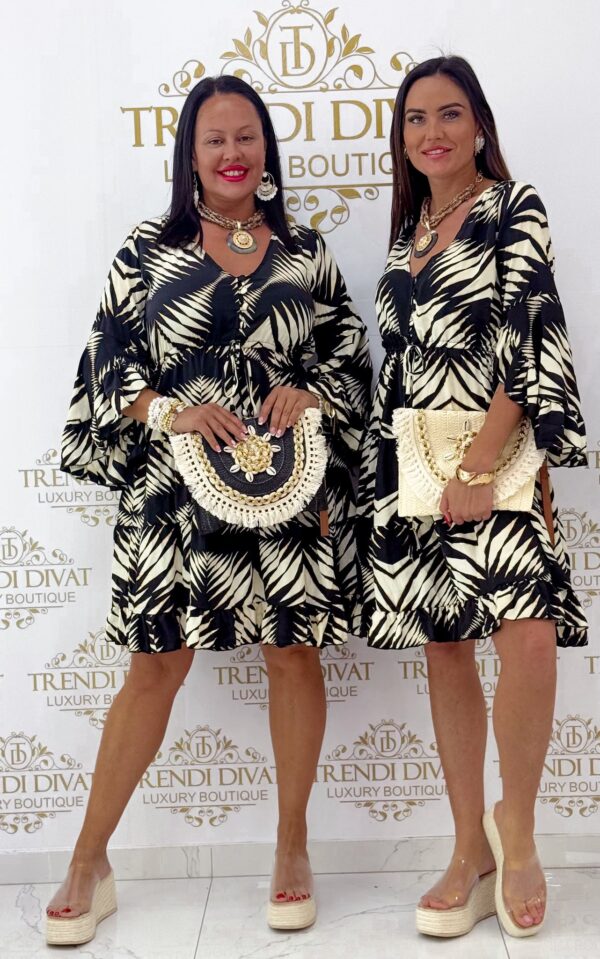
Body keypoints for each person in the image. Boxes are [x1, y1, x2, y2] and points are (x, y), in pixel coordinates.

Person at [48, 74, 371, 945]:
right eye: (214, 139)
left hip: (289, 487)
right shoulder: (147, 251)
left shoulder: (306, 251)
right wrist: (170, 410)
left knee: (293, 652)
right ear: (189, 155)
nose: (233, 153)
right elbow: (106, 365)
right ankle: (88, 860)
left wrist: (312, 392)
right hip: (172, 497)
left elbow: (351, 360)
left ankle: (292, 846)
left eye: (246, 136)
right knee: (155, 665)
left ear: (267, 149)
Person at [358, 55, 587, 939]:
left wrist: (482, 466)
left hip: (496, 456)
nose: (432, 133)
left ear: (479, 124)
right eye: (415, 119)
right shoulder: (407, 232)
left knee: (525, 635)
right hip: (415, 467)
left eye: (450, 114)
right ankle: (468, 848)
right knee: (446, 645)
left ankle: (516, 834)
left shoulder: (512, 207)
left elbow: (530, 333)